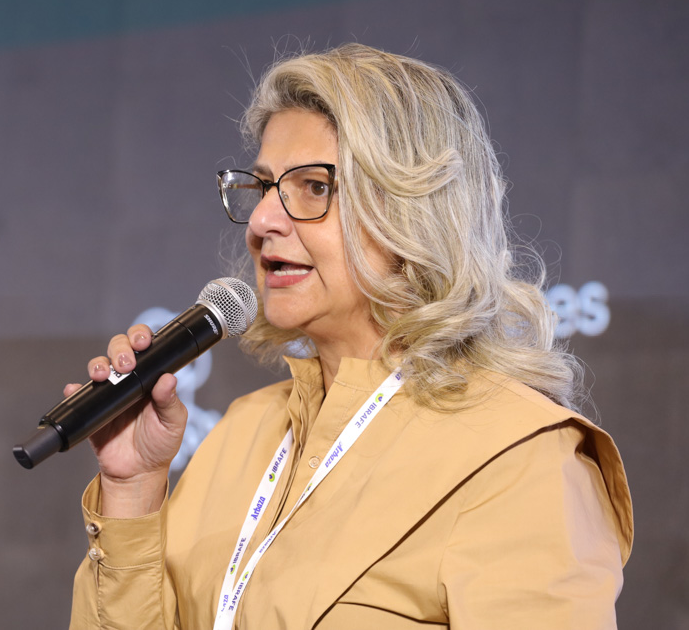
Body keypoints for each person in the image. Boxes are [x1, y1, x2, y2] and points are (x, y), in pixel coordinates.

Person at [66, 43, 633, 629]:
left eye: (314, 187)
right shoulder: (241, 431)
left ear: (413, 211)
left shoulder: (519, 457)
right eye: (263, 187)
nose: (262, 221)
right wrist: (132, 490)